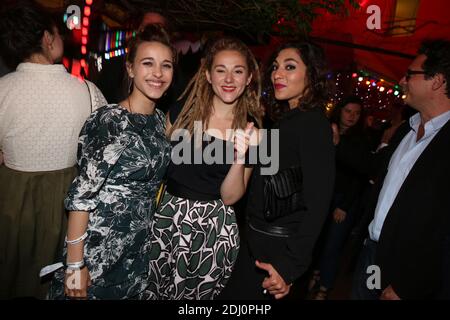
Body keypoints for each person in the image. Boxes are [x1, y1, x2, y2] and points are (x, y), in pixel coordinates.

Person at [47, 24, 176, 300]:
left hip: (137, 254)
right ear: (130, 68)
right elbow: (82, 197)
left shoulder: (158, 122)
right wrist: (74, 265)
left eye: (166, 65)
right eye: (148, 63)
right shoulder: (109, 121)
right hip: (98, 251)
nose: (158, 73)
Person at [0, 2, 106, 299]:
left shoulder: (2, 89)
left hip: (10, 196)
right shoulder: (87, 91)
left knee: (10, 277)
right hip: (68, 200)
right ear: (48, 39)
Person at [147, 37, 263, 300]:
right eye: (221, 70)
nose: (229, 79)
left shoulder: (254, 131)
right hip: (167, 220)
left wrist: (240, 156)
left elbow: (231, 197)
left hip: (212, 229)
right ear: (208, 75)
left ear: (249, 78)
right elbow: (153, 168)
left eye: (238, 71)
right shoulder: (180, 112)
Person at [220, 41, 335, 300]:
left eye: (290, 67)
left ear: (312, 74)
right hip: (255, 246)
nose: (277, 74)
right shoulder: (289, 121)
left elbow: (318, 204)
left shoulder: (314, 125)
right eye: (275, 67)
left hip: (277, 255)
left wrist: (288, 267)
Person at [351, 40, 450, 300]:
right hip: (371, 253)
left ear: (437, 80)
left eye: (410, 74)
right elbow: (375, 168)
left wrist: (410, 284)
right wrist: (335, 143)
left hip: (406, 273)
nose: (402, 80)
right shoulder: (406, 129)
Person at [308, 96, 370, 299]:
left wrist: (343, 206)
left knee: (333, 246)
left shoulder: (361, 139)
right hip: (322, 196)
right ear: (339, 111)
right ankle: (315, 274)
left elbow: (359, 175)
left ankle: (325, 287)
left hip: (344, 201)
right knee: (317, 240)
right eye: (348, 111)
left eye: (357, 113)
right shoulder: (326, 129)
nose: (352, 116)